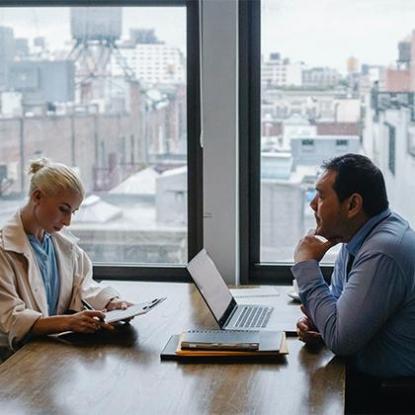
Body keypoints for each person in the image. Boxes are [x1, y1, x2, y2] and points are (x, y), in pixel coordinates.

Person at [292, 153, 415, 378]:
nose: (311, 204)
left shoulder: (383, 251)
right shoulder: (355, 238)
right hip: (365, 377)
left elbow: (341, 340)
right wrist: (320, 326)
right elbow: (338, 313)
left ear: (352, 205)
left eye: (320, 196)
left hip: (394, 396)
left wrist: (306, 264)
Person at [0, 158, 132, 353]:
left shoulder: (60, 242)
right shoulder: (4, 250)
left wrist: (111, 303)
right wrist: (68, 322)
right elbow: (11, 318)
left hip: (47, 350)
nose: (68, 221)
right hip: (11, 360)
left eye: (73, 212)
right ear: (37, 197)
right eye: (63, 209)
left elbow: (81, 286)